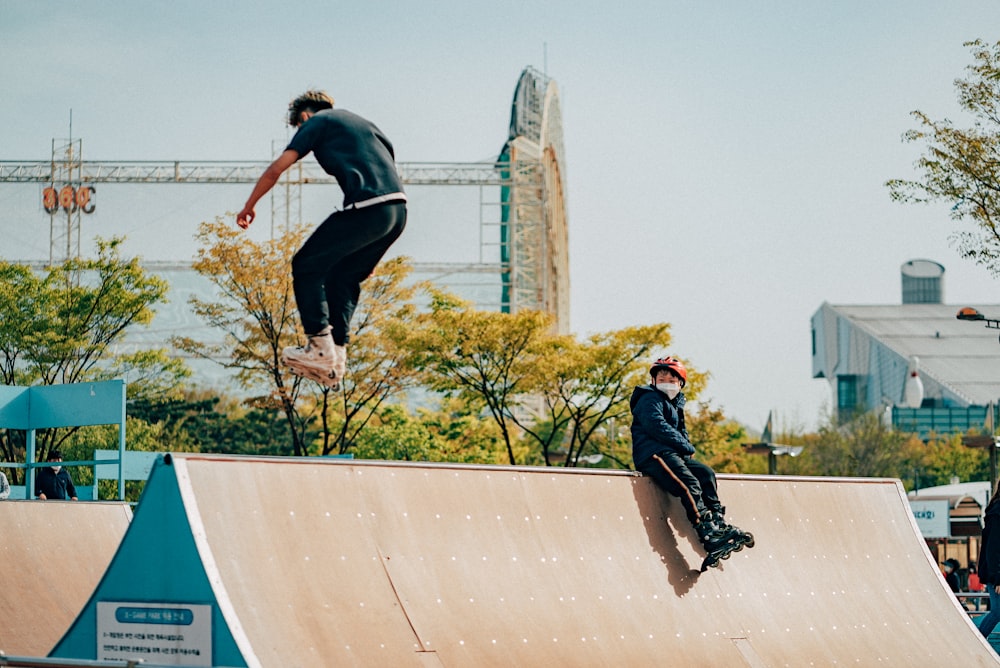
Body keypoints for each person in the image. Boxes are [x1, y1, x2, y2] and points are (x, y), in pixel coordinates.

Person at [237, 90, 407, 390]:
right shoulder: (367, 125)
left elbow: (277, 168)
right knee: (344, 276)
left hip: (367, 209)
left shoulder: (317, 122)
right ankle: (336, 357)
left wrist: (250, 205)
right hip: (397, 213)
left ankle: (318, 347)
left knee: (306, 265)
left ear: (303, 116)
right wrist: (373, 254)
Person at [630, 355, 749, 562]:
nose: (666, 382)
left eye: (671, 379)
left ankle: (717, 521)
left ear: (680, 383)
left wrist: (685, 450)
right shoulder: (649, 398)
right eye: (661, 378)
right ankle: (707, 532)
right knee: (689, 483)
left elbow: (682, 432)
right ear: (653, 381)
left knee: (705, 474)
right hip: (652, 453)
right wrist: (686, 446)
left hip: (671, 453)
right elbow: (656, 426)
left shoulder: (676, 404)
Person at [977, 488, 1000, 639]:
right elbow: (993, 550)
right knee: (998, 612)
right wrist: (998, 578)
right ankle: (976, 641)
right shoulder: (997, 514)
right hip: (996, 574)